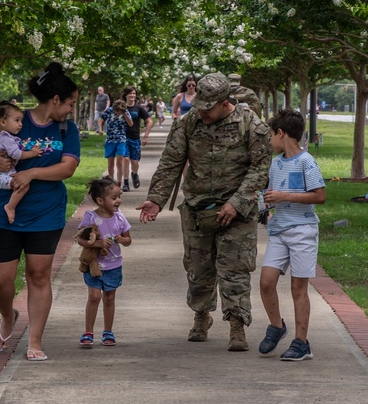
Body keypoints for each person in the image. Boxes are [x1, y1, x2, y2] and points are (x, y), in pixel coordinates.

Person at [137, 72, 272, 352]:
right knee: (198, 270)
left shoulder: (251, 125)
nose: (202, 111)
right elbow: (170, 162)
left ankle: (237, 325)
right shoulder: (189, 123)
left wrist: (236, 202)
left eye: (207, 107)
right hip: (198, 209)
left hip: (237, 210)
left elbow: (260, 168)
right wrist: (155, 199)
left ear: (224, 102)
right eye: (199, 104)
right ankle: (201, 316)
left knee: (235, 270)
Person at [0, 62, 80, 362]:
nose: (72, 109)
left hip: (45, 213)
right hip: (2, 211)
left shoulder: (66, 129)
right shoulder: (16, 119)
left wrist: (33, 172)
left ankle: (34, 341)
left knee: (38, 275)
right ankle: (8, 315)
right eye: (71, 103)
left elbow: (68, 167)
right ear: (56, 99)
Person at [256, 109, 326, 361]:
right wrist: (263, 210)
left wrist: (285, 196)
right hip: (279, 231)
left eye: (271, 136)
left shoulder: (306, 162)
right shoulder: (276, 163)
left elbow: (320, 196)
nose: (269, 142)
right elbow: (269, 194)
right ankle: (276, 326)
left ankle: (301, 343)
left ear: (281, 133)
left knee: (298, 287)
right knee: (266, 282)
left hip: (302, 231)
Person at [75, 178, 133, 349]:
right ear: (100, 201)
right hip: (93, 266)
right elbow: (80, 239)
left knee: (109, 298)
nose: (118, 201)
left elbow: (129, 239)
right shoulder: (90, 218)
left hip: (113, 265)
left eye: (118, 197)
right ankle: (88, 332)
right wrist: (97, 244)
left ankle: (108, 331)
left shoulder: (120, 218)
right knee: (94, 297)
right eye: (113, 198)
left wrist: (123, 239)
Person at [0, 101, 45, 224]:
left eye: (21, 121)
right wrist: (33, 153)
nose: (20, 124)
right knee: (23, 185)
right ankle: (10, 206)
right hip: (1, 174)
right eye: (17, 120)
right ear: (3, 122)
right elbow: (16, 154)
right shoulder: (6, 138)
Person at [121, 85, 153, 192]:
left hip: (135, 138)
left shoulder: (138, 108)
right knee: (125, 159)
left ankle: (134, 174)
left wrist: (146, 136)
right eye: (130, 93)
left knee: (135, 162)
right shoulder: (121, 107)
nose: (132, 95)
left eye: (134, 93)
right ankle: (125, 183)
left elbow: (149, 121)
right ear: (125, 95)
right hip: (123, 138)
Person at [99, 99, 133, 185]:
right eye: (117, 111)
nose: (118, 113)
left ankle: (119, 183)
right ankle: (111, 182)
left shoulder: (125, 112)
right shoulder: (109, 110)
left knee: (119, 162)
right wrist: (100, 129)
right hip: (110, 139)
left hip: (121, 139)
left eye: (120, 111)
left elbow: (131, 124)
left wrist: (124, 113)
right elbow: (101, 119)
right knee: (110, 163)